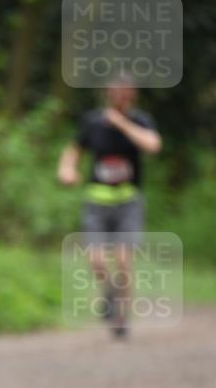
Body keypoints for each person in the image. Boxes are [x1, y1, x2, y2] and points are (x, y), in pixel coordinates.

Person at [57, 77, 161, 337]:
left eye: (125, 93)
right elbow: (74, 149)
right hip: (97, 201)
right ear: (107, 93)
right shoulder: (93, 122)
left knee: (124, 260)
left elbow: (153, 145)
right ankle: (111, 294)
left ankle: (121, 318)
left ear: (133, 95)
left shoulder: (141, 120)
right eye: (115, 92)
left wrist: (122, 124)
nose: (120, 97)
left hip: (128, 201)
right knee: (97, 260)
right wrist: (67, 168)